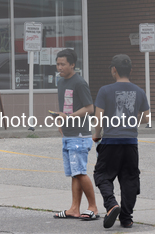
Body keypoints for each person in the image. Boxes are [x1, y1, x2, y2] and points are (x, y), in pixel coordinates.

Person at [92, 54, 150, 229]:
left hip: (111, 142)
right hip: (131, 143)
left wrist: (96, 134)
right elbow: (147, 118)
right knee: (130, 179)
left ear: (114, 70)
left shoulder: (105, 90)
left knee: (102, 175)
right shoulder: (139, 91)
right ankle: (126, 218)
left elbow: (98, 118)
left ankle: (111, 205)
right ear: (130, 70)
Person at [53, 49, 99, 221]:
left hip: (80, 135)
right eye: (57, 64)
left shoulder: (79, 83)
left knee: (80, 171)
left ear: (72, 64)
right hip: (68, 133)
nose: (59, 67)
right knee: (74, 173)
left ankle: (93, 207)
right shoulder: (61, 82)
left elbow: (89, 108)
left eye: (63, 64)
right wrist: (61, 121)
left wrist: (70, 117)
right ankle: (74, 208)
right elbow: (66, 107)